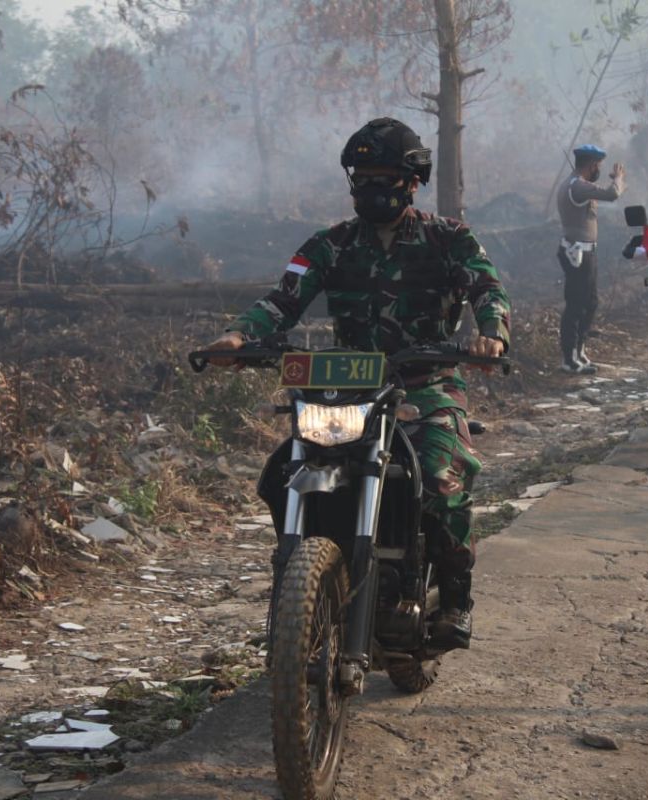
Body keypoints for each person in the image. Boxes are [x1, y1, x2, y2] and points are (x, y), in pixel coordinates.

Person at [204, 117, 511, 651]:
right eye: (361, 177)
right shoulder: (329, 245)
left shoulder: (450, 239)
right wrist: (239, 337)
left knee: (442, 478)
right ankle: (303, 588)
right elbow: (282, 298)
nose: (370, 189)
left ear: (411, 181)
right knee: (282, 474)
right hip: (347, 387)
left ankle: (457, 595)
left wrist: (491, 335)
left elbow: (487, 288)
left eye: (382, 177)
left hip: (425, 381)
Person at [555, 144, 625, 374]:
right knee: (576, 304)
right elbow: (612, 194)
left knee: (590, 302)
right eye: (598, 166)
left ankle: (580, 349)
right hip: (577, 253)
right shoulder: (578, 186)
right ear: (591, 165)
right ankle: (569, 357)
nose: (599, 171)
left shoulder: (576, 185)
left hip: (586, 252)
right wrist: (618, 178)